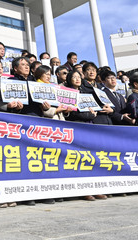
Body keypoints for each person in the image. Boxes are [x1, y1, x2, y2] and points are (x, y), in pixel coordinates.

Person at [62, 70, 107, 201]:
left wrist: (93, 114)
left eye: (78, 77)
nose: (77, 79)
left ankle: (96, 188)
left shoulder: (86, 93)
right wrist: (90, 114)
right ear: (69, 79)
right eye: (74, 77)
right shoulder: (68, 93)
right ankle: (84, 190)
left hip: (89, 126)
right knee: (80, 158)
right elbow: (75, 113)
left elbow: (94, 109)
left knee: (92, 157)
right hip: (76, 127)